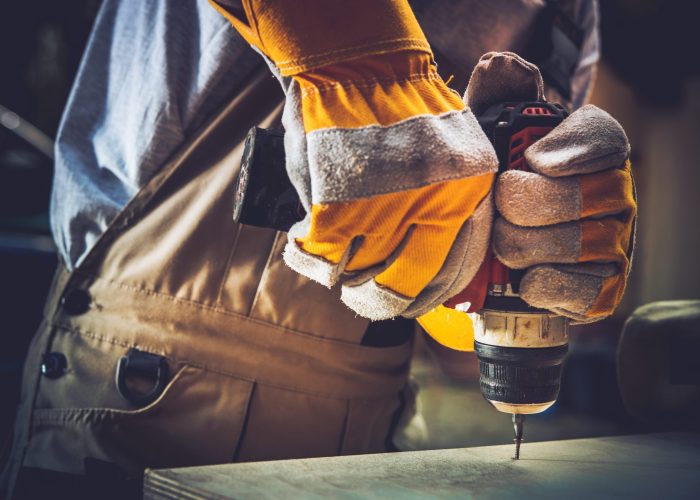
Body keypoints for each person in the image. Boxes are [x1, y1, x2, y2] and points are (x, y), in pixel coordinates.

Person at [1, 0, 635, 497]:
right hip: (142, 391)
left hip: (363, 426)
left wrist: (486, 278)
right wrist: (358, 66)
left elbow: (505, 209)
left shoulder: (569, 13)